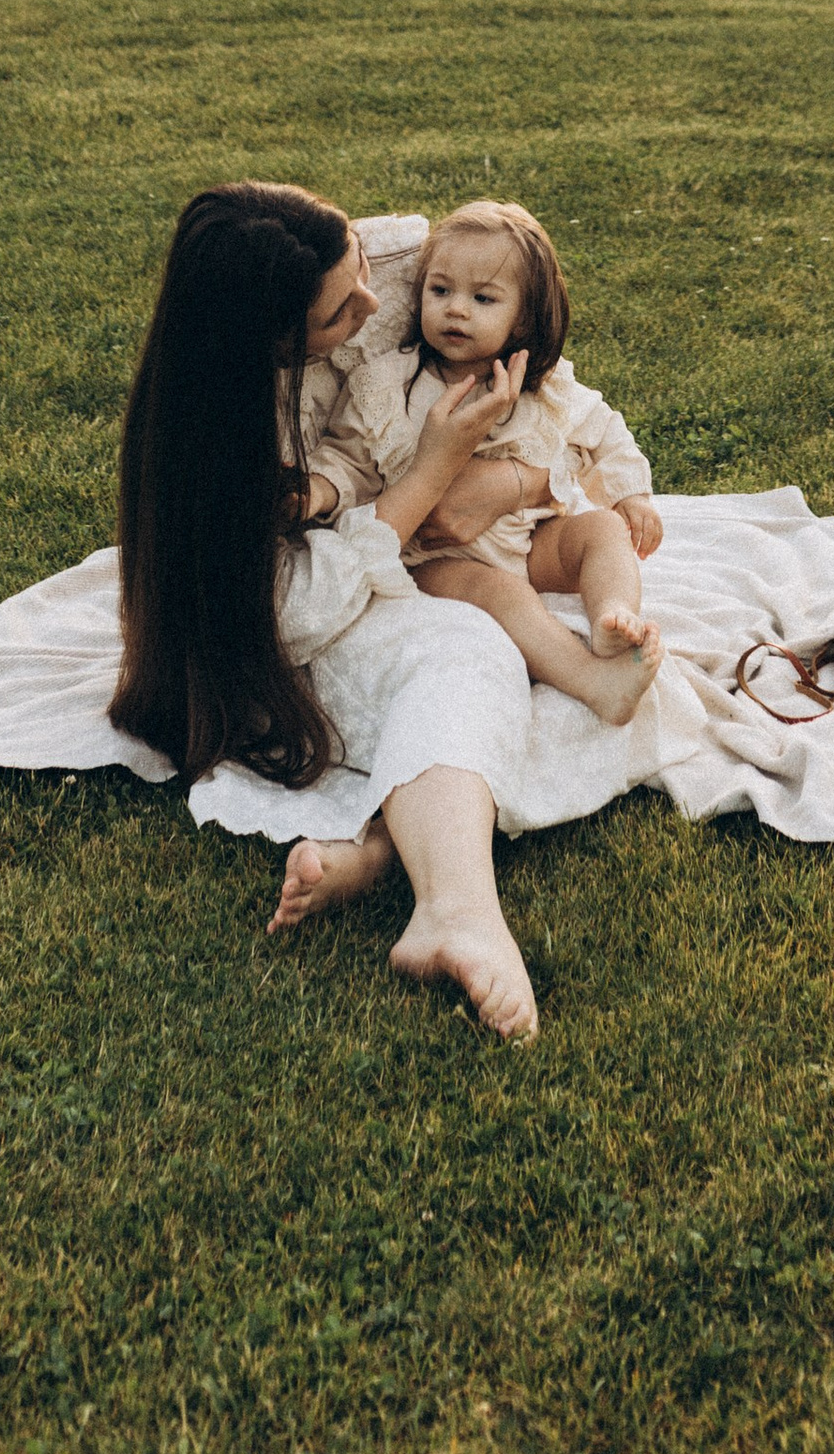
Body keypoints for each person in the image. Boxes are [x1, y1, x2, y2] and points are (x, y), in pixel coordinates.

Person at [109, 179, 545, 1040]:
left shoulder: (347, 262)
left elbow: (454, 266)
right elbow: (293, 619)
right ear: (273, 347)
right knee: (469, 655)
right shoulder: (215, 457)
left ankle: (381, 857)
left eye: (358, 264)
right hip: (278, 626)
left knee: (482, 651)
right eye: (343, 310)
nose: (378, 303)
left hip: (372, 548)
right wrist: (432, 468)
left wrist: (512, 475)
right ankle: (458, 911)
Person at [320, 200, 665, 724]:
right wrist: (318, 487)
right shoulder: (385, 385)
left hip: (528, 544)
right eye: (440, 291)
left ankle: (612, 620)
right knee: (499, 591)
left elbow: (602, 429)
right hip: (435, 562)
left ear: (523, 316)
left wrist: (630, 493)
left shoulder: (542, 385)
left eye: (483, 298)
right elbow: (347, 458)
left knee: (602, 529)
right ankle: (592, 680)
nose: (456, 309)